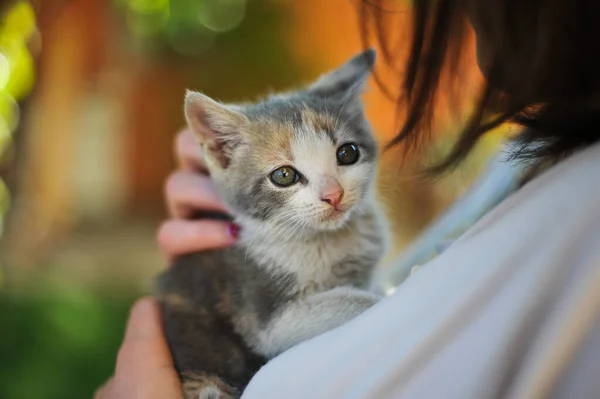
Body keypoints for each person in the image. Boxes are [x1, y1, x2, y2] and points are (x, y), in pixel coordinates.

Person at [96, 0, 600, 397]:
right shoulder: (528, 158)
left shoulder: (579, 208)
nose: (335, 192)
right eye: (288, 174)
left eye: (347, 153)